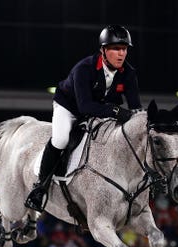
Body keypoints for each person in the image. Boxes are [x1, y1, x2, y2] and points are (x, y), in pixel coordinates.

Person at [25, 24, 142, 212]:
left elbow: (136, 107)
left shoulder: (129, 73)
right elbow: (85, 106)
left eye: (124, 49)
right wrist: (116, 112)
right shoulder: (84, 68)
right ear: (103, 50)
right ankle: (40, 188)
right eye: (115, 49)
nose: (121, 54)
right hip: (70, 107)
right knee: (61, 139)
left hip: (100, 111)